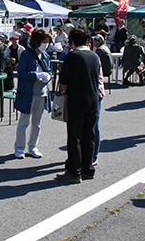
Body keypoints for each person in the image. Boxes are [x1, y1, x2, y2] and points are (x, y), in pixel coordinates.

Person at [56, 27, 101, 183]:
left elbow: (64, 82)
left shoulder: (72, 56)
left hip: (77, 101)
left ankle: (73, 171)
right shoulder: (94, 56)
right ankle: (88, 169)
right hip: (93, 102)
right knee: (89, 136)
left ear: (72, 42)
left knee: (74, 137)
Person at [13, 29, 52, 159]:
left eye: (47, 42)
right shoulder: (26, 54)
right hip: (28, 93)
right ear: (36, 42)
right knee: (24, 121)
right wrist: (37, 75)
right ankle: (19, 148)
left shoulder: (45, 55)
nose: (46, 44)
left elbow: (49, 71)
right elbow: (22, 73)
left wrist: (49, 77)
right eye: (44, 42)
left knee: (37, 122)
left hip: (42, 93)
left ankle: (33, 147)